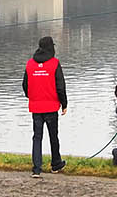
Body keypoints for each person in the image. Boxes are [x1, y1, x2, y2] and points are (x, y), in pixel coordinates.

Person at [23, 35, 67, 175]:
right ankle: (56, 164)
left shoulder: (30, 64)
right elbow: (60, 87)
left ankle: (36, 169)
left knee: (37, 137)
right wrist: (64, 104)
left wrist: (31, 97)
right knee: (53, 136)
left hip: (36, 107)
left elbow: (25, 85)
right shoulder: (54, 63)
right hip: (51, 106)